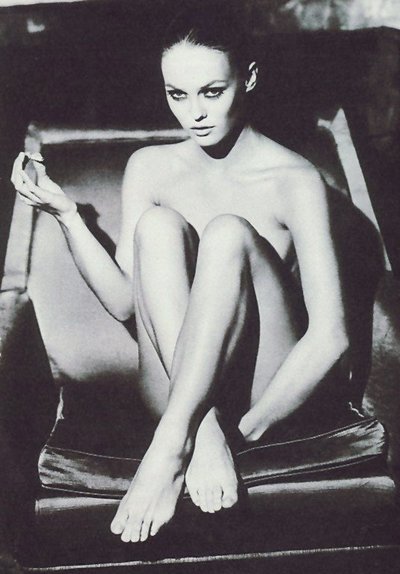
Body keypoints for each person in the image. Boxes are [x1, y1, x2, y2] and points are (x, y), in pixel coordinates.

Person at [10, 0, 380, 547]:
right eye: (177, 95)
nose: (195, 113)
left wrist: (246, 431)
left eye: (212, 91)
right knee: (157, 225)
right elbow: (127, 303)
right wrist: (66, 215)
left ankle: (174, 442)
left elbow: (330, 337)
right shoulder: (150, 167)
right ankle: (191, 434)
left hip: (258, 386)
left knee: (228, 233)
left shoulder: (293, 178)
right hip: (172, 383)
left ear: (248, 78)